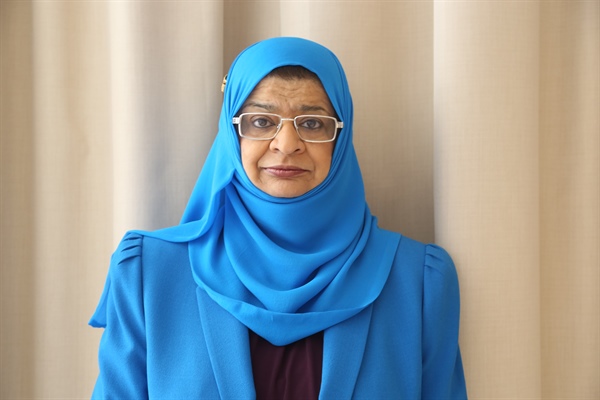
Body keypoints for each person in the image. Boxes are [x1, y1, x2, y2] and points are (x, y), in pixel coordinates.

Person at [89, 37, 467, 399]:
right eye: (261, 122)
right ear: (231, 134)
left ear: (341, 137)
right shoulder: (149, 273)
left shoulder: (417, 281)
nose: (286, 145)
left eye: (312, 123)